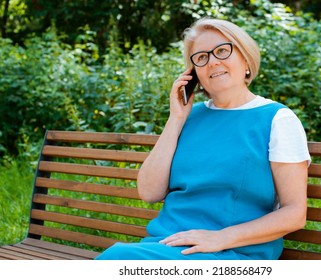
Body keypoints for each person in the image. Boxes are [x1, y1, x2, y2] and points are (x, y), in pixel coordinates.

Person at [95, 17, 310, 260]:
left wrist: (220, 238)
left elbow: (295, 213)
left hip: (232, 252)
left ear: (246, 59)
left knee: (115, 260)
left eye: (222, 51)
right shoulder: (188, 117)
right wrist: (175, 119)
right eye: (201, 57)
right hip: (166, 245)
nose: (213, 62)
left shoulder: (277, 119)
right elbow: (149, 192)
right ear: (194, 73)